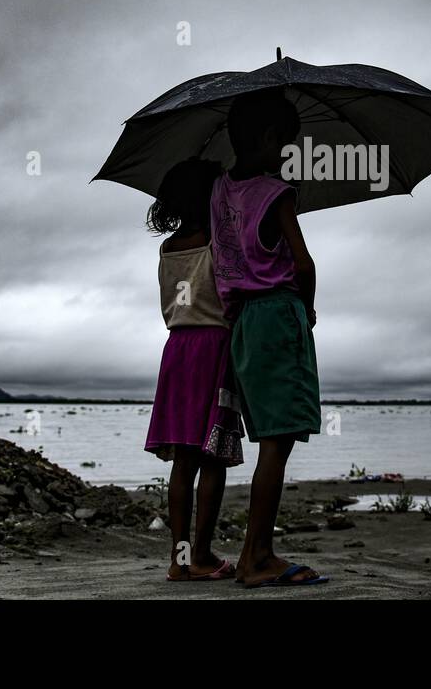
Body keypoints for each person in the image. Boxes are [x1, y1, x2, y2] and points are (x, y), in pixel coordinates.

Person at [211, 88, 328, 588]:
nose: (289, 153)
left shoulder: (217, 190)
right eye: (287, 142)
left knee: (268, 438)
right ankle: (257, 556)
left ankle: (254, 553)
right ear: (269, 138)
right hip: (279, 315)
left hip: (240, 326)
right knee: (277, 444)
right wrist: (309, 305)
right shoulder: (275, 192)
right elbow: (302, 262)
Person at [143, 158, 244, 582]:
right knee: (214, 458)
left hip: (177, 351)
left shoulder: (167, 248)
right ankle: (201, 556)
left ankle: (180, 559)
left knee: (183, 461)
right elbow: (233, 295)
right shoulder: (218, 242)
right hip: (214, 349)